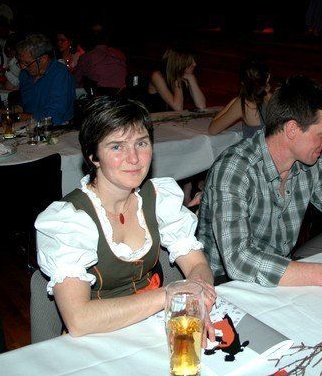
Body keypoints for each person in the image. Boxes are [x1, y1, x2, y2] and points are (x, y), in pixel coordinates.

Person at [198, 76, 322, 292]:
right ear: (292, 129)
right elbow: (239, 260)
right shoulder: (235, 168)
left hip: (280, 278)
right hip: (224, 286)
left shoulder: (311, 164)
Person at [35, 96, 215, 337]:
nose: (134, 158)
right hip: (97, 338)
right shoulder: (70, 219)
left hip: (151, 327)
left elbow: (197, 264)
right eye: (117, 147)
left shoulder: (159, 198)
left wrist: (197, 296)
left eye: (141, 143)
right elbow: (79, 320)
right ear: (93, 156)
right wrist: (171, 295)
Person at [15, 33, 75, 124]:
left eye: (27, 63)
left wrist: (27, 117)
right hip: (30, 125)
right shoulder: (25, 74)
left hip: (57, 127)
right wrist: (8, 112)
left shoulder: (60, 74)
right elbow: (25, 104)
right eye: (20, 62)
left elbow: (55, 114)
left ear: (43, 59)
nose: (22, 67)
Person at [208, 58, 271, 137]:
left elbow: (212, 130)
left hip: (256, 145)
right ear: (268, 77)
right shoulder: (272, 97)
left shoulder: (245, 104)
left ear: (242, 82)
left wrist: (235, 101)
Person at [147, 46, 206, 112]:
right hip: (155, 116)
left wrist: (191, 78)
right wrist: (177, 80)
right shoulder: (157, 76)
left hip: (173, 117)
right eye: (190, 61)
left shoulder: (188, 75)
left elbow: (201, 105)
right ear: (179, 62)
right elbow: (178, 108)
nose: (194, 64)